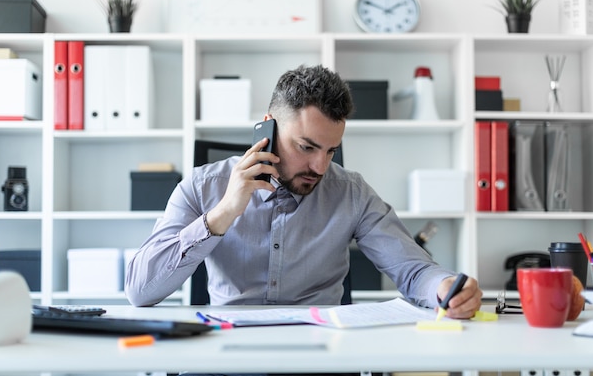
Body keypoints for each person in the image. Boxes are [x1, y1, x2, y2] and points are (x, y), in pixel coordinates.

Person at [125, 64, 482, 320]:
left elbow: (413, 270)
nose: (321, 168)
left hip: (323, 358)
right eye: (307, 147)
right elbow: (140, 291)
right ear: (268, 126)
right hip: (229, 354)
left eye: (330, 151)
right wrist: (222, 215)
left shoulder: (352, 193)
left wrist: (446, 286)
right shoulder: (203, 186)